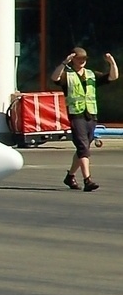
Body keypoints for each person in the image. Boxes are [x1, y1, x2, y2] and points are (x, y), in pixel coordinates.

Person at [51, 46, 118, 191]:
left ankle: (70, 176)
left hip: (91, 114)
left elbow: (113, 77)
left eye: (84, 59)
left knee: (84, 148)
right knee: (82, 147)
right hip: (76, 115)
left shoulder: (91, 74)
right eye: (79, 59)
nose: (82, 61)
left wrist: (112, 63)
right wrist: (64, 63)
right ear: (73, 59)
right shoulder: (67, 75)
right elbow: (54, 78)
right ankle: (87, 180)